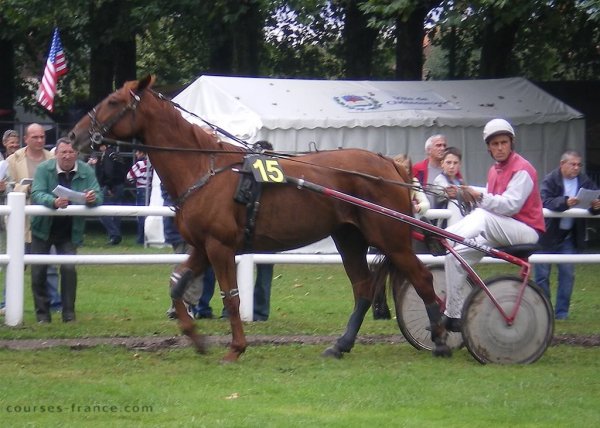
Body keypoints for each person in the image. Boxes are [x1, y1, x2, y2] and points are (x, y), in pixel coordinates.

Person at [441, 118, 545, 332]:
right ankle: (453, 315)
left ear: (511, 143)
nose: (499, 148)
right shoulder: (494, 170)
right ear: (488, 147)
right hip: (503, 228)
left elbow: (508, 206)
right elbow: (491, 199)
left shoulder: (523, 170)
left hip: (525, 231)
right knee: (454, 257)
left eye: (503, 143)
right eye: (495, 144)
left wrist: (478, 196)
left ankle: (442, 237)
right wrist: (464, 193)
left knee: (483, 216)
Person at [30, 138, 102, 323]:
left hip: (71, 229)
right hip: (43, 227)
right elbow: (37, 193)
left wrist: (93, 198)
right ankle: (42, 315)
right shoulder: (43, 169)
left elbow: (98, 194)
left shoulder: (86, 170)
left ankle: (69, 314)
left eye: (71, 152)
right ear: (56, 154)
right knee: (38, 271)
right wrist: (52, 202)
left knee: (69, 269)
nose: (67, 156)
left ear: (77, 154)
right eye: (63, 152)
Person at [535, 150, 600, 320]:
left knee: (568, 274)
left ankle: (562, 314)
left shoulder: (584, 180)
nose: (576, 168)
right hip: (545, 236)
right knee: (541, 276)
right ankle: (544, 311)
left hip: (567, 237)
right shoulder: (550, 179)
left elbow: (594, 200)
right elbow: (544, 201)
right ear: (562, 164)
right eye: (573, 164)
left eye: (579, 164)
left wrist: (595, 206)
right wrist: (565, 202)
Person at [6, 123, 61, 312]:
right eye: (35, 137)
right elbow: (8, 186)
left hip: (46, 217)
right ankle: (8, 302)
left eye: (42, 137)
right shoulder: (14, 159)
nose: (39, 141)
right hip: (21, 219)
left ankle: (54, 302)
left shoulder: (53, 158)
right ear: (26, 139)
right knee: (15, 262)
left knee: (50, 263)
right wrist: (26, 188)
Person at [372, 153, 430, 320]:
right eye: (398, 166)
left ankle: (401, 306)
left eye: (405, 168)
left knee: (401, 270)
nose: (401, 170)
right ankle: (379, 307)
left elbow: (425, 203)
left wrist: (418, 207)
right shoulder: (384, 183)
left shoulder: (413, 183)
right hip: (381, 233)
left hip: (401, 234)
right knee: (376, 270)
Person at [162, 185, 216, 320]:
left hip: (183, 229)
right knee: (191, 269)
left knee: (186, 268)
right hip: (185, 229)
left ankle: (181, 305)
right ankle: (183, 305)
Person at [0, 129, 21, 315]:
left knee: (13, 258)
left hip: (16, 215)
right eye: (11, 142)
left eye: (16, 142)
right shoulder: (2, 161)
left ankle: (7, 301)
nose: (14, 145)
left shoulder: (20, 160)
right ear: (4, 143)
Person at [91, 142, 128, 245]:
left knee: (101, 210)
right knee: (117, 212)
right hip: (120, 185)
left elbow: (108, 171)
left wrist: (109, 186)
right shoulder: (117, 154)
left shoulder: (107, 154)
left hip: (111, 186)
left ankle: (114, 234)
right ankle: (115, 236)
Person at [432, 147, 465, 228]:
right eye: (448, 162)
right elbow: (451, 193)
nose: (452, 166)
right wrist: (467, 194)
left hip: (460, 221)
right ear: (442, 163)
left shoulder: (460, 181)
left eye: (455, 163)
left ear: (460, 164)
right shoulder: (439, 180)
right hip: (443, 224)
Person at [412, 134, 448, 206]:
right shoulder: (418, 169)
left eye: (444, 145)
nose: (442, 148)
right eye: (438, 145)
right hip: (423, 214)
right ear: (428, 150)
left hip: (447, 214)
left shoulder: (451, 169)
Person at [126, 149, 152, 245]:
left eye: (137, 152)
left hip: (141, 189)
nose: (136, 154)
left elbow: (129, 176)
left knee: (141, 215)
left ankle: (141, 238)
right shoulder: (153, 163)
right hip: (150, 189)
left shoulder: (140, 164)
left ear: (142, 153)